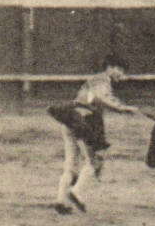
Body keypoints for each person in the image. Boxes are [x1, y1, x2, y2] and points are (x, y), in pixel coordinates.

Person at [48, 55, 144, 214]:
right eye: (119, 69)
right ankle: (76, 192)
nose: (121, 74)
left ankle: (60, 200)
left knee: (71, 162)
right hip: (84, 122)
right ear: (109, 67)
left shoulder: (94, 80)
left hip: (70, 119)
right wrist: (123, 107)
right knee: (94, 161)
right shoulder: (102, 81)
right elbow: (102, 97)